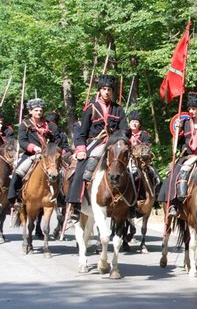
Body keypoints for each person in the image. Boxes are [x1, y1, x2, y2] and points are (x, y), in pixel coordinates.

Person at [66, 74, 128, 221]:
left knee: (131, 169)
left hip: (114, 144)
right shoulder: (91, 108)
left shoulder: (118, 110)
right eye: (104, 89)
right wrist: (81, 149)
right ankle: (75, 203)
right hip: (96, 143)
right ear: (99, 90)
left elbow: (125, 130)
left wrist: (118, 137)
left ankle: (131, 204)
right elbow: (82, 133)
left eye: (109, 90)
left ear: (113, 92)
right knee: (83, 168)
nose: (106, 92)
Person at [158, 92, 197, 218]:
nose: (191, 111)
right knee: (174, 172)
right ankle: (173, 204)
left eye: (194, 109)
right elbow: (176, 144)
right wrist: (177, 132)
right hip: (186, 157)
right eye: (189, 109)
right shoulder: (184, 124)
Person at [8, 98, 56, 211]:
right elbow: (23, 141)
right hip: (31, 154)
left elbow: (56, 139)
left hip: (48, 156)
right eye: (36, 110)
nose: (39, 112)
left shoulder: (50, 126)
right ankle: (15, 198)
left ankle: (62, 198)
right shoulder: (24, 125)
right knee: (18, 171)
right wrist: (34, 148)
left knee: (63, 172)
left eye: (40, 110)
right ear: (30, 111)